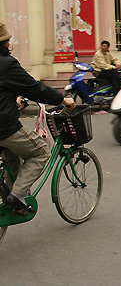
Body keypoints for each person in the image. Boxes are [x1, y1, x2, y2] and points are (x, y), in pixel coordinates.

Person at [0, 21, 76, 216]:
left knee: (12, 160)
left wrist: (11, 99)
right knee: (41, 151)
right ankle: (16, 195)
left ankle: (13, 200)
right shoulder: (6, 64)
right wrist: (61, 98)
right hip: (4, 127)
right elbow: (33, 88)